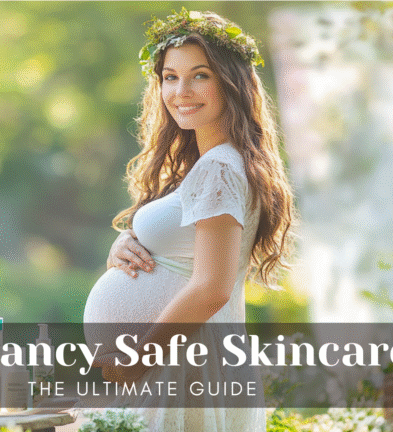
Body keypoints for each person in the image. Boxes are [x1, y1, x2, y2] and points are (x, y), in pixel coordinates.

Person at [82, 8, 294, 431]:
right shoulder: (215, 165)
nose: (181, 90)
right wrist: (125, 244)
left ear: (231, 83)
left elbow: (211, 287)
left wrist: (139, 360)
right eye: (170, 77)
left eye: (200, 75)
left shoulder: (220, 167)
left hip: (181, 366)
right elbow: (186, 256)